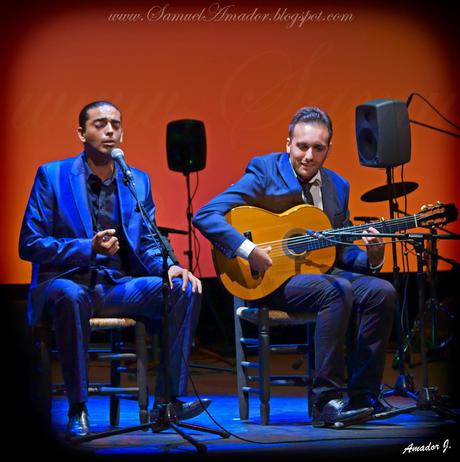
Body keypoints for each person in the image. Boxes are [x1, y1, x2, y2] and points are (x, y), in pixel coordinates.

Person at [192, 107, 397, 428]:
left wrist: (372, 256)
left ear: (329, 149)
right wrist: (248, 250)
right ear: (288, 143)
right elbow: (206, 215)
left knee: (381, 292)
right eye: (302, 146)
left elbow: (340, 255)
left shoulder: (337, 186)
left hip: (320, 277)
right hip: (269, 280)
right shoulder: (264, 172)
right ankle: (326, 401)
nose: (308, 156)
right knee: (337, 289)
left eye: (318, 148)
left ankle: (363, 395)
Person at [19, 100, 210, 438]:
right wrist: (86, 248)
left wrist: (170, 268)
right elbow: (30, 244)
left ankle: (168, 402)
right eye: (100, 123)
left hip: (116, 287)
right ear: (81, 132)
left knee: (183, 287)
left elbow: (149, 240)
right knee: (71, 295)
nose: (110, 130)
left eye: (116, 124)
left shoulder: (136, 179)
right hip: (66, 283)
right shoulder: (52, 175)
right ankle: (78, 408)